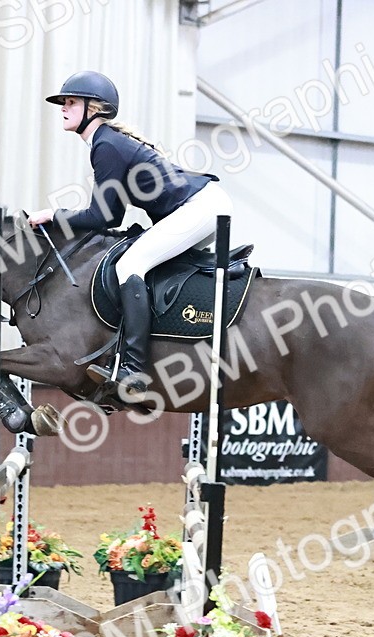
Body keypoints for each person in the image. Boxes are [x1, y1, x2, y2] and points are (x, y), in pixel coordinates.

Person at [28, 71, 232, 403]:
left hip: (202, 207)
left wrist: (53, 215)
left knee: (130, 264)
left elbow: (103, 216)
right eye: (62, 103)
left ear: (93, 108)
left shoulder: (106, 145)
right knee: (145, 264)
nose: (62, 108)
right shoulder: (106, 142)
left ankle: (133, 369)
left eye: (70, 102)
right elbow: (113, 215)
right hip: (205, 205)